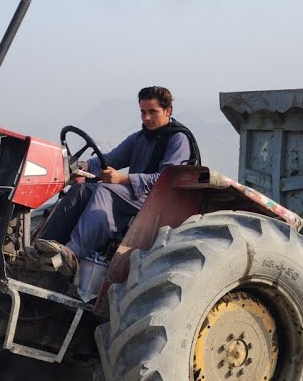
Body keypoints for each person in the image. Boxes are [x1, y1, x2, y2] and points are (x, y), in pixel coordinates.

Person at [34, 86, 200, 277]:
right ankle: (43, 247)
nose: (146, 118)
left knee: (105, 189)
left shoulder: (178, 139)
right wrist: (82, 166)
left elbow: (166, 179)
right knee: (81, 190)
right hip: (131, 195)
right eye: (143, 112)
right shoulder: (140, 137)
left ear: (168, 111)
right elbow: (110, 159)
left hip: (157, 202)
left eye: (152, 112)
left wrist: (123, 178)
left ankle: (73, 254)